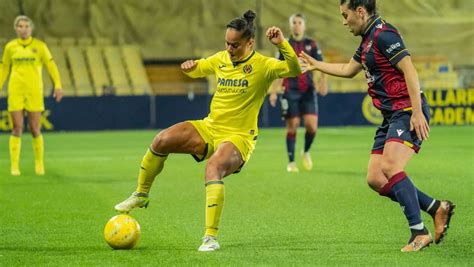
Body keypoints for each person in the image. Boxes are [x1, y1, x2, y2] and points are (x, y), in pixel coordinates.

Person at [114, 10, 301, 252]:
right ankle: (141, 193)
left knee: (213, 167)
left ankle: (210, 237)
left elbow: (294, 69)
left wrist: (282, 43)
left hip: (239, 137)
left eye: (235, 45)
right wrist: (189, 67)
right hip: (210, 127)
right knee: (162, 140)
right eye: (227, 43)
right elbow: (197, 69)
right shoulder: (221, 58)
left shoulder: (264, 65)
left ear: (250, 42)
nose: (229, 48)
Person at [299, 0, 455, 252]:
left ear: (360, 11)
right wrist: (316, 65)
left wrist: (416, 112)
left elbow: (410, 71)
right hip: (390, 116)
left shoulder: (384, 34)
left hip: (406, 110)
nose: (343, 21)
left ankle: (419, 232)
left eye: (345, 15)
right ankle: (436, 207)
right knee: (375, 178)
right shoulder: (367, 40)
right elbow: (348, 69)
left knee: (390, 166)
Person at [0, 15, 63, 176]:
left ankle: (39, 164)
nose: (24, 29)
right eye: (20, 26)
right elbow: (4, 68)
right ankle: (14, 166)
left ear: (31, 28)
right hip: (15, 90)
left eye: (26, 26)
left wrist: (58, 85)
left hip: (35, 90)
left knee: (35, 128)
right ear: (16, 29)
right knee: (17, 127)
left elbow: (51, 65)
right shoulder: (10, 47)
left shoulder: (40, 46)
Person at [269, 13, 328, 172]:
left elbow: (321, 64)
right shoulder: (284, 44)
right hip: (290, 90)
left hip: (308, 90)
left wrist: (323, 82)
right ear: (290, 25)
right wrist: (274, 92)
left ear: (304, 25)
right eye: (294, 22)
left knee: (312, 126)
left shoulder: (312, 44)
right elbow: (277, 70)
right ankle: (291, 162)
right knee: (292, 125)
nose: (296, 25)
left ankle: (306, 151)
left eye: (299, 22)